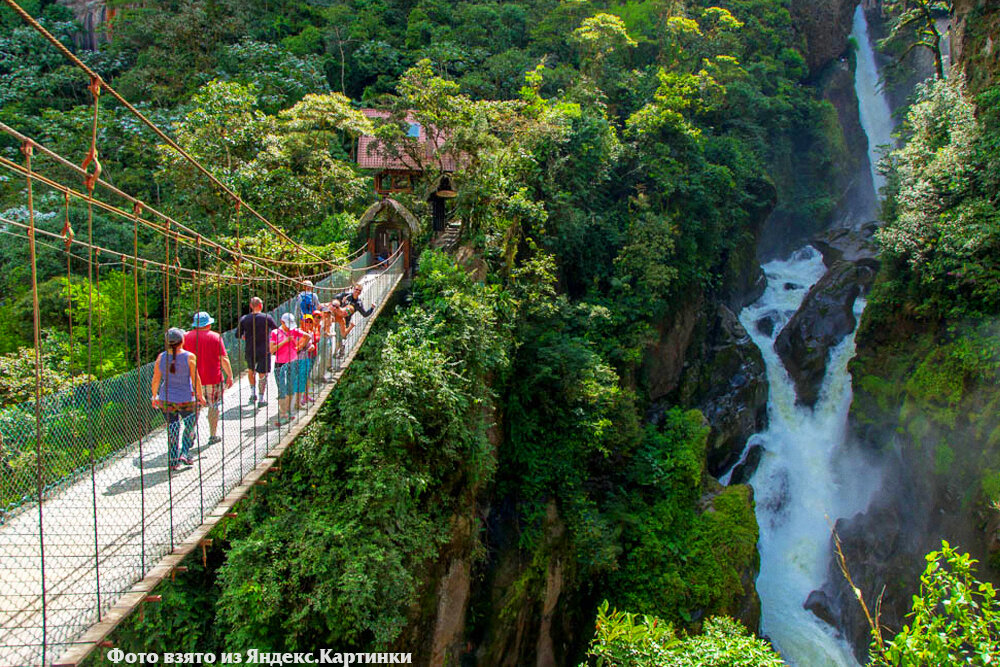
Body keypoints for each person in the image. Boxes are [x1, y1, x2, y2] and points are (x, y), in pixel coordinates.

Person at [150, 328, 206, 471]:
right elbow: (196, 379)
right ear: (182, 340)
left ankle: (173, 458)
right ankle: (185, 453)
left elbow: (156, 379)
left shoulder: (160, 358)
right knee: (190, 426)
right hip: (186, 399)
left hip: (166, 399)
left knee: (173, 427)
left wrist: (154, 396)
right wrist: (200, 396)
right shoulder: (189, 357)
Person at [184, 312, 234, 445]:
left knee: (194, 409)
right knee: (214, 406)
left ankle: (191, 433)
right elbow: (223, 358)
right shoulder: (215, 337)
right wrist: (229, 375)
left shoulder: (186, 337)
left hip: (193, 381)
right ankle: (212, 435)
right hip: (213, 379)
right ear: (208, 324)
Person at [236, 296, 278, 407]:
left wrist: (245, 336)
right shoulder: (267, 318)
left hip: (250, 349)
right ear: (261, 305)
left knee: (251, 370)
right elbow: (276, 330)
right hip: (264, 350)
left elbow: (237, 334)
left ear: (250, 306)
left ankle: (252, 393)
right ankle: (261, 398)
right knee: (262, 374)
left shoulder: (244, 319)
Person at [269, 312, 308, 426]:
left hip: (293, 362)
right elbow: (271, 350)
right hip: (280, 364)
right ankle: (283, 414)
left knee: (290, 387)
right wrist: (285, 341)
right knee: (282, 389)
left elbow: (307, 336)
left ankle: (288, 411)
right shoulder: (275, 333)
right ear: (282, 322)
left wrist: (299, 347)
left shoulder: (294, 331)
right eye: (287, 324)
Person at [332, 283, 373, 357]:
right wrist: (341, 302)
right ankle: (339, 351)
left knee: (341, 337)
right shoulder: (346, 296)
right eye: (356, 289)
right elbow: (335, 299)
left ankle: (337, 353)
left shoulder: (358, 303)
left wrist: (372, 308)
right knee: (339, 337)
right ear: (353, 289)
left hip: (346, 321)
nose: (357, 291)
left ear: (361, 292)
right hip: (338, 319)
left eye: (359, 290)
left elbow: (364, 314)